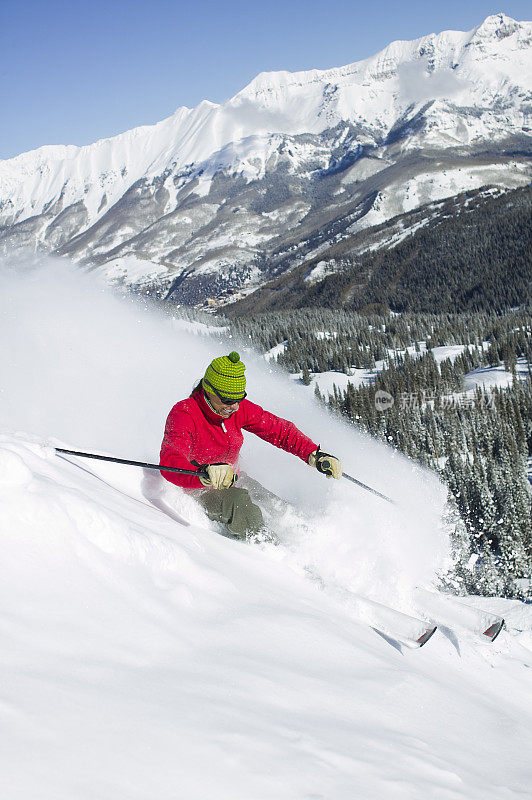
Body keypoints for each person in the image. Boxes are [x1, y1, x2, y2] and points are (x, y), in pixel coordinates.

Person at [160, 351, 342, 538]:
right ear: (209, 390)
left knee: (279, 509)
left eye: (239, 398)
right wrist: (204, 472)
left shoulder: (236, 410)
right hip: (199, 488)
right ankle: (272, 554)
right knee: (244, 508)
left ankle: (310, 543)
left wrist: (312, 453)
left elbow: (278, 430)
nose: (235, 406)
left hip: (234, 480)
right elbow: (170, 460)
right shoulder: (185, 413)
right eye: (228, 400)